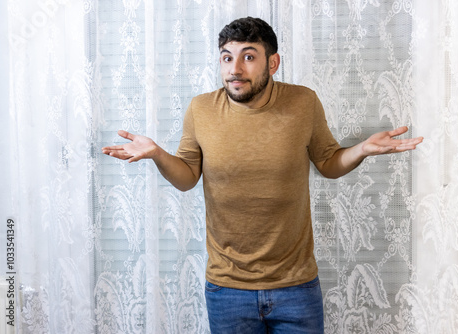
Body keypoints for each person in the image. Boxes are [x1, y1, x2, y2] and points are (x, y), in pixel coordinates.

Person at [102, 17, 423, 334]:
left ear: (273, 63)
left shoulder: (302, 102)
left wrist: (362, 149)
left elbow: (328, 162)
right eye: (227, 57)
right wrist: (158, 154)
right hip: (227, 287)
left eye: (249, 57)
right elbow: (187, 177)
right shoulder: (201, 109)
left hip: (296, 286)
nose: (235, 69)